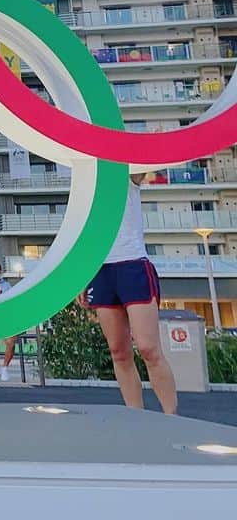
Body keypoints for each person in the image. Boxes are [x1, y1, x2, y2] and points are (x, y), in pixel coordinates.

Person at [79, 174, 177, 415]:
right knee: (118, 351)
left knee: (148, 348)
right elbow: (83, 229)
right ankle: (136, 416)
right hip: (100, 268)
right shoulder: (84, 180)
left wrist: (157, 134)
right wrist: (81, 276)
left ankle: (172, 417)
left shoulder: (126, 172)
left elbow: (144, 157)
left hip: (132, 264)